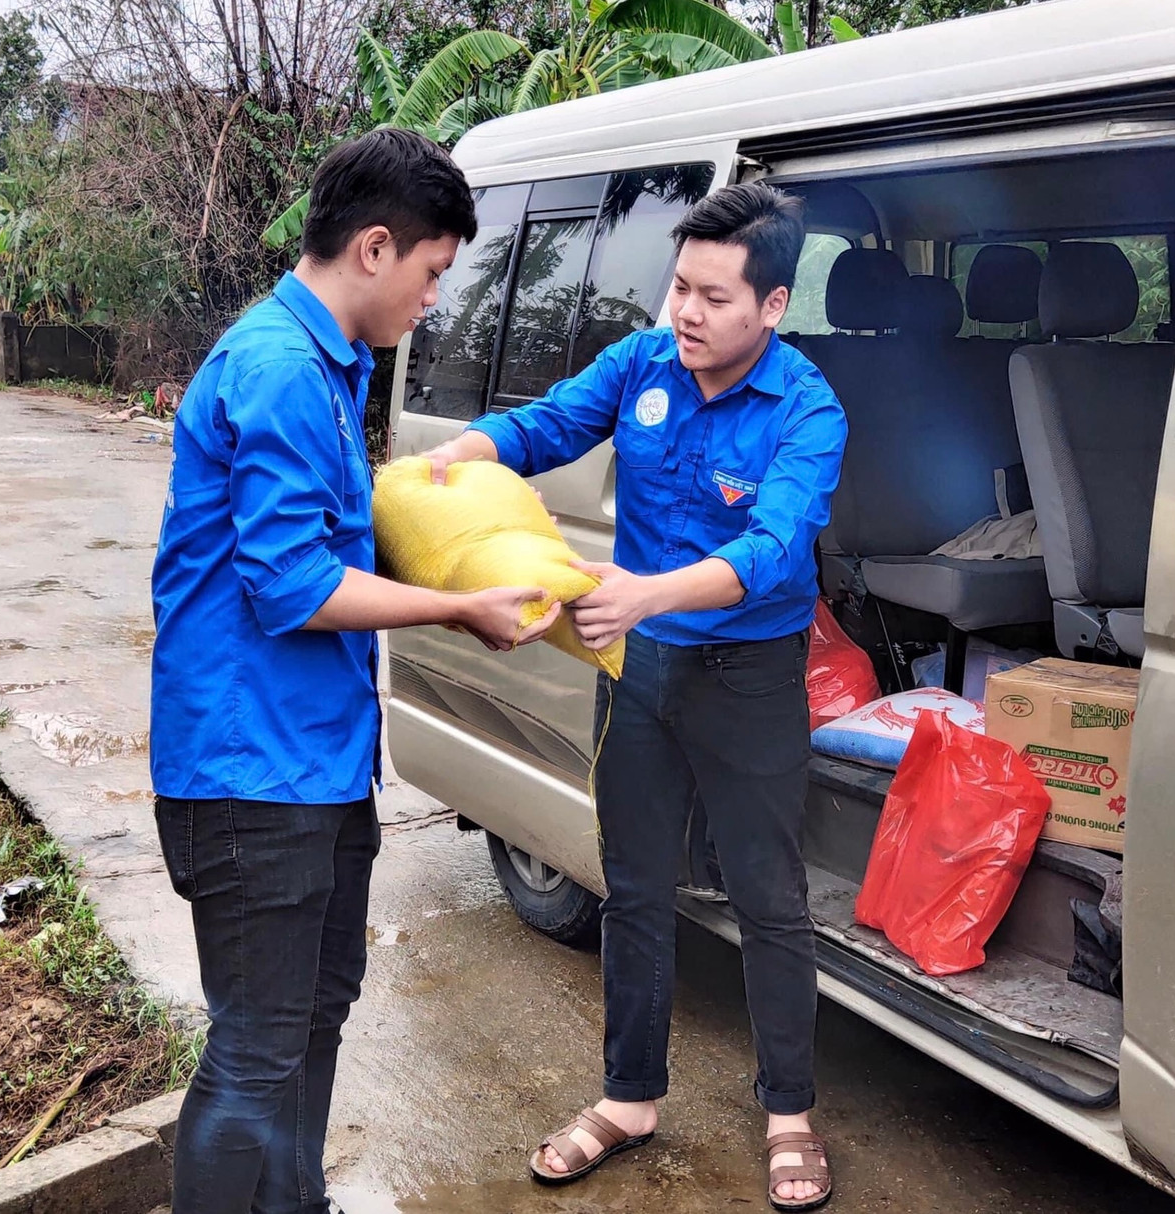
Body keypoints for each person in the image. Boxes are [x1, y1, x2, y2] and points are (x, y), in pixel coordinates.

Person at [149, 128, 560, 1214]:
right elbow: (293, 586)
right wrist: (459, 605)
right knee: (256, 1044)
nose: (433, 299)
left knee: (315, 1007)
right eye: (432, 273)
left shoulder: (326, 364)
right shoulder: (282, 367)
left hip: (313, 763)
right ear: (375, 248)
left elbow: (329, 544)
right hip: (249, 773)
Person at [426, 181, 847, 1211]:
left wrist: (645, 591)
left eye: (713, 296)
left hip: (748, 674)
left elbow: (771, 546)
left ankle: (789, 1112)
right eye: (678, 288)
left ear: (773, 306)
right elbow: (550, 425)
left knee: (768, 896)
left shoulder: (808, 409)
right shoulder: (642, 363)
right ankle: (627, 1097)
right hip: (640, 669)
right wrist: (465, 449)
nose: (686, 313)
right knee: (635, 885)